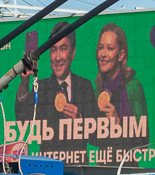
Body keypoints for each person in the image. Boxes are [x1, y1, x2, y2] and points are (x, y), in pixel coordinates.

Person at [14, 31, 97, 163]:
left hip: (78, 167)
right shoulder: (41, 87)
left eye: (63, 49)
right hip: (47, 167)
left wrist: (80, 119)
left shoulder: (85, 86)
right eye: (53, 50)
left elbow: (97, 135)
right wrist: (24, 83)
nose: (58, 57)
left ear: (73, 53)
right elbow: (23, 119)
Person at [93, 23, 149, 152]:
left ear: (121, 55)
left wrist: (118, 123)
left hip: (128, 167)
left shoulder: (133, 87)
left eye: (110, 48)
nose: (103, 54)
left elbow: (144, 140)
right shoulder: (97, 91)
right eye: (101, 48)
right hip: (102, 167)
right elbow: (92, 139)